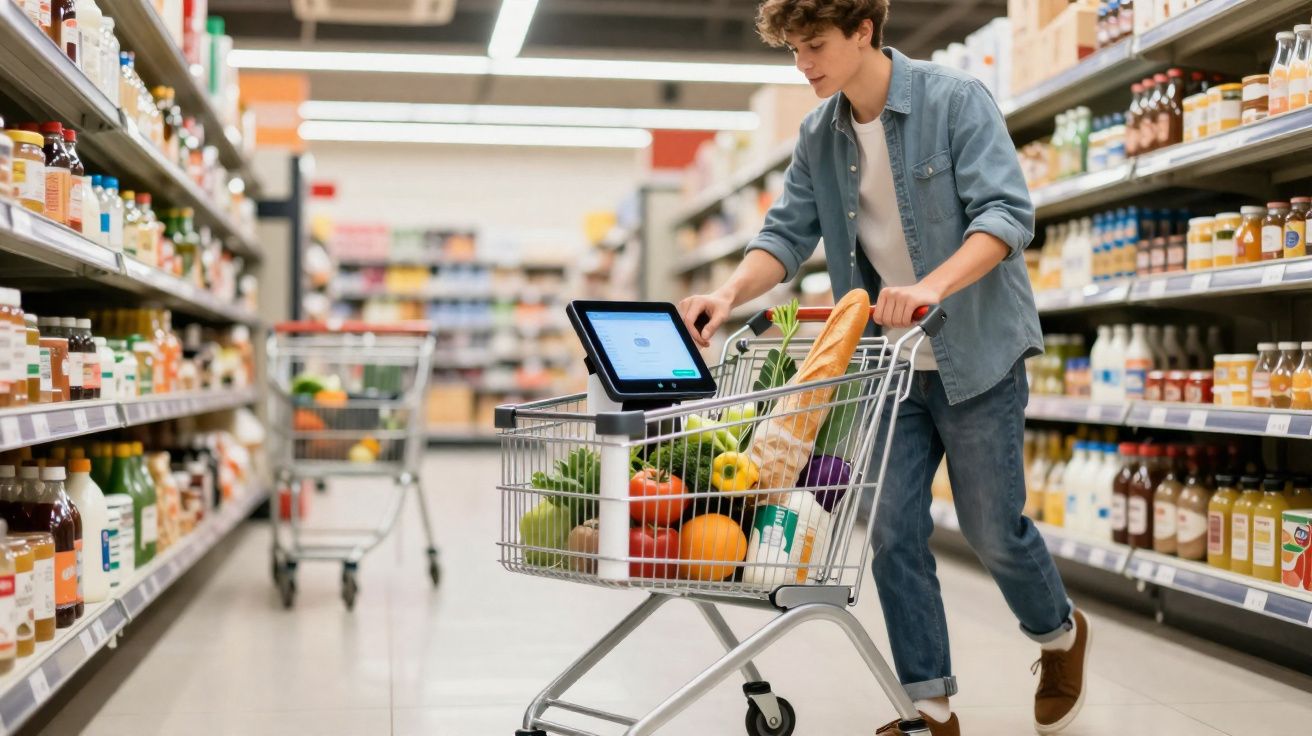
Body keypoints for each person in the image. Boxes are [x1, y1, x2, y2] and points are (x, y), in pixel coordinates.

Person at [677, 2, 1090, 734]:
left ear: (864, 29)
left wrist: (933, 285)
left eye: (815, 46)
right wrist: (727, 292)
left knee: (992, 528)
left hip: (977, 350)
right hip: (888, 364)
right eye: (793, 51)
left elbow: (1004, 214)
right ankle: (928, 706)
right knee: (894, 531)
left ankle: (1058, 634)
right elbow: (786, 231)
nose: (804, 64)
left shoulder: (954, 101)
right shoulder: (818, 133)